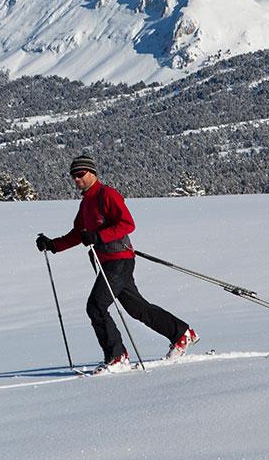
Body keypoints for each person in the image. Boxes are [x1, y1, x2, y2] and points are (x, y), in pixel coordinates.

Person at [36, 153, 198, 373]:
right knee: (137, 308)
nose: (76, 179)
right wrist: (53, 245)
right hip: (105, 263)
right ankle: (181, 333)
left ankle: (117, 356)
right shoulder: (86, 203)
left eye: (80, 174)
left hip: (119, 261)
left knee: (95, 306)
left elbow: (127, 224)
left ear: (92, 173)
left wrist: (99, 236)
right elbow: (78, 234)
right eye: (73, 175)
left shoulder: (107, 194)